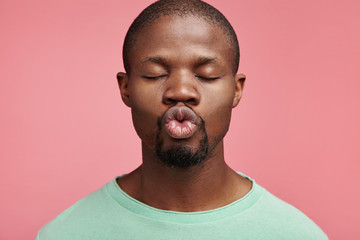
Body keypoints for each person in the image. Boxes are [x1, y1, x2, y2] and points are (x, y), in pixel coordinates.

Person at [36, 0, 328, 239]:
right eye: (155, 74)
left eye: (207, 75)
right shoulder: (65, 234)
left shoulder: (296, 234)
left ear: (236, 90)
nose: (181, 91)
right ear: (126, 89)